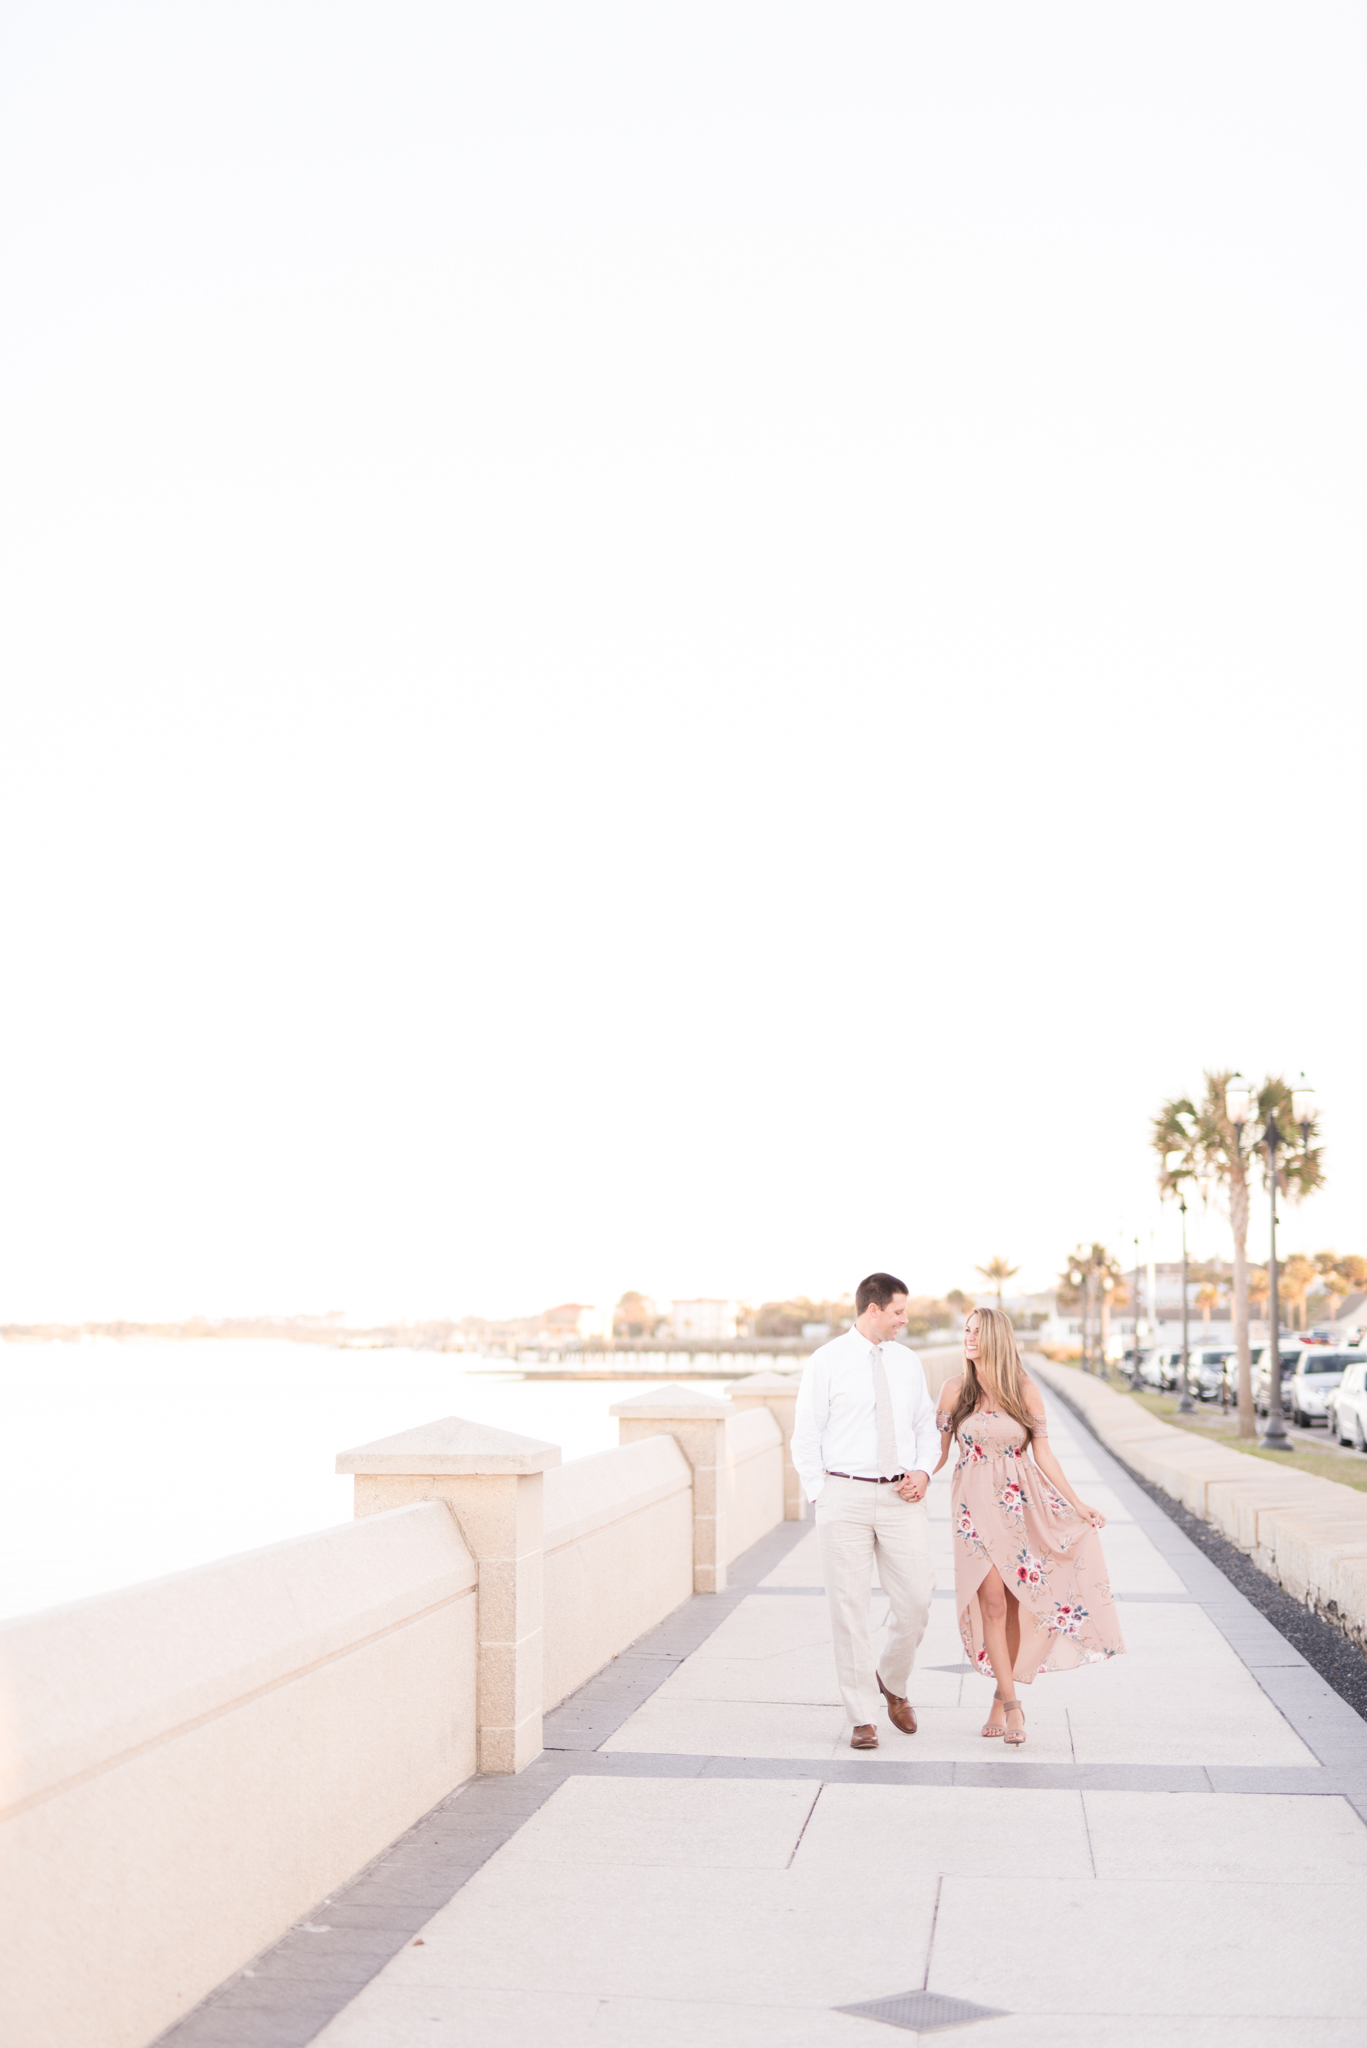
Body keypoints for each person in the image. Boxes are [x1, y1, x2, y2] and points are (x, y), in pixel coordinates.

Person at [933, 1306, 1125, 1747]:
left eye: (978, 1332)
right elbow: (938, 1452)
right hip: (971, 1509)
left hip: (1020, 1506)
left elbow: (1045, 1454)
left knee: (1017, 1604)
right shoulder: (953, 1390)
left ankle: (1001, 1695)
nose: (969, 1338)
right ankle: (1015, 1704)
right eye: (966, 1330)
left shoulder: (1024, 1390)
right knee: (993, 1603)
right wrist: (912, 1476)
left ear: (998, 1339)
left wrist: (1076, 1503)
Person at [792, 1272, 940, 1749]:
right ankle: (862, 1716)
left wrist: (923, 1472)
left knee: (917, 1600)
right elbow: (806, 1433)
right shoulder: (826, 1361)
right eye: (899, 1311)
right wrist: (821, 1492)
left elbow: (925, 1425)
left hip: (901, 1496)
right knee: (849, 1608)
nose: (905, 1320)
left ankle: (892, 1682)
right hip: (844, 1496)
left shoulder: (908, 1362)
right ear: (873, 1309)